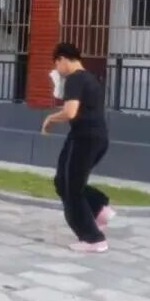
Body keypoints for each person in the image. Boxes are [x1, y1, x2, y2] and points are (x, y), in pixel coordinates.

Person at [42, 43, 114, 253]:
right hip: (94, 138)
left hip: (84, 139)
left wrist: (50, 119)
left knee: (72, 189)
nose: (57, 70)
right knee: (62, 182)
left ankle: (93, 238)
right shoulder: (90, 79)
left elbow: (70, 112)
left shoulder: (74, 79)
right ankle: (99, 208)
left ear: (63, 59)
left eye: (56, 64)